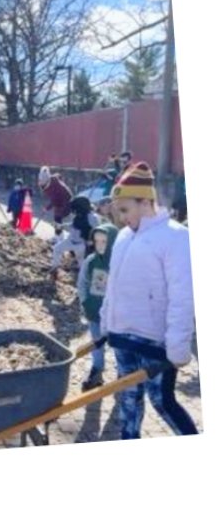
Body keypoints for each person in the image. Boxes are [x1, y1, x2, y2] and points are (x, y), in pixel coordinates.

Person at [101, 163, 197, 438]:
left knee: (162, 402)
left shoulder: (175, 237)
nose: (121, 218)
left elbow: (183, 296)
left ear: (146, 202)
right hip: (122, 335)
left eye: (125, 210)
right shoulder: (122, 237)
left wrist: (178, 345)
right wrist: (108, 321)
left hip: (154, 342)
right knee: (128, 401)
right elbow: (113, 285)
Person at [77, 221, 117, 391]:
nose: (100, 245)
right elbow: (83, 282)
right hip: (94, 311)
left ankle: (122, 375)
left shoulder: (119, 262)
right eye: (97, 241)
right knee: (96, 343)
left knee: (118, 346)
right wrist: (85, 301)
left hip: (116, 316)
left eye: (104, 241)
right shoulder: (91, 261)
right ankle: (97, 370)